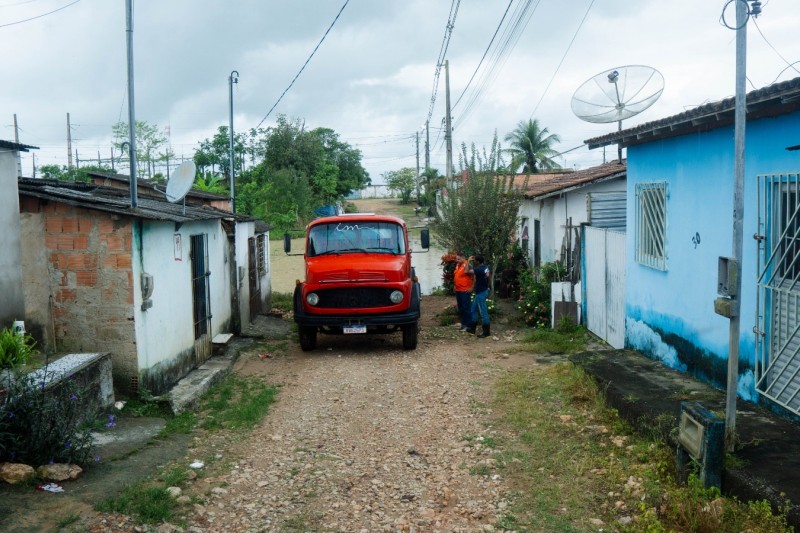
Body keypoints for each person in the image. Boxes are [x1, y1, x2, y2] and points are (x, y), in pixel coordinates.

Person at [466, 254, 491, 338]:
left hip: (481, 292)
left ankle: (486, 332)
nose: (474, 261)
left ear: (477, 261)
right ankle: (472, 329)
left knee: (483, 311)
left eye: (475, 260)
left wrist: (468, 261)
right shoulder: (485, 267)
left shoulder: (479, 269)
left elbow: (466, 272)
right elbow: (488, 278)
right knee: (473, 309)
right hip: (482, 291)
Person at [453, 251, 474, 331]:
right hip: (458, 289)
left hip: (465, 290)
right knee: (461, 308)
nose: (456, 260)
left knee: (466, 307)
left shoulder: (467, 265)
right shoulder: (458, 265)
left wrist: (472, 287)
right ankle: (463, 324)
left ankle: (468, 325)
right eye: (456, 259)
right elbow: (457, 275)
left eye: (458, 259)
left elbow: (474, 276)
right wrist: (455, 285)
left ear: (463, 258)